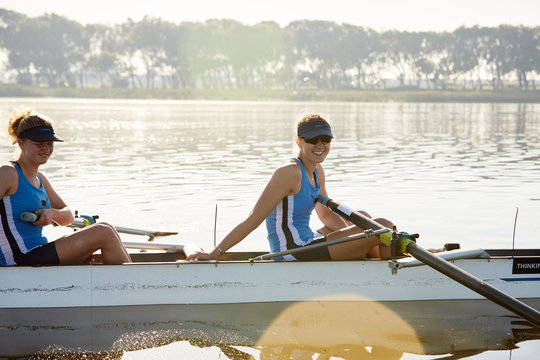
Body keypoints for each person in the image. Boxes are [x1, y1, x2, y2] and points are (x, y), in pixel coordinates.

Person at [187, 113, 392, 261]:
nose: (320, 145)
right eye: (313, 140)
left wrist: (359, 234)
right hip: (292, 250)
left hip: (308, 239)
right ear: (299, 141)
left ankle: (375, 256)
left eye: (326, 140)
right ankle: (389, 265)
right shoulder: (289, 173)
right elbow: (254, 218)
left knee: (365, 218)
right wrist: (215, 253)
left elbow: (327, 216)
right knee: (383, 225)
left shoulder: (317, 171)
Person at [0, 108, 132, 266]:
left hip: (39, 251)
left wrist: (51, 213)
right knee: (103, 233)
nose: (46, 149)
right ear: (21, 143)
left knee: (106, 227)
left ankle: (128, 284)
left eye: (49, 144)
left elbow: (68, 217)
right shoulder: (8, 173)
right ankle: (137, 286)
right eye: (39, 144)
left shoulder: (40, 179)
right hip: (19, 259)